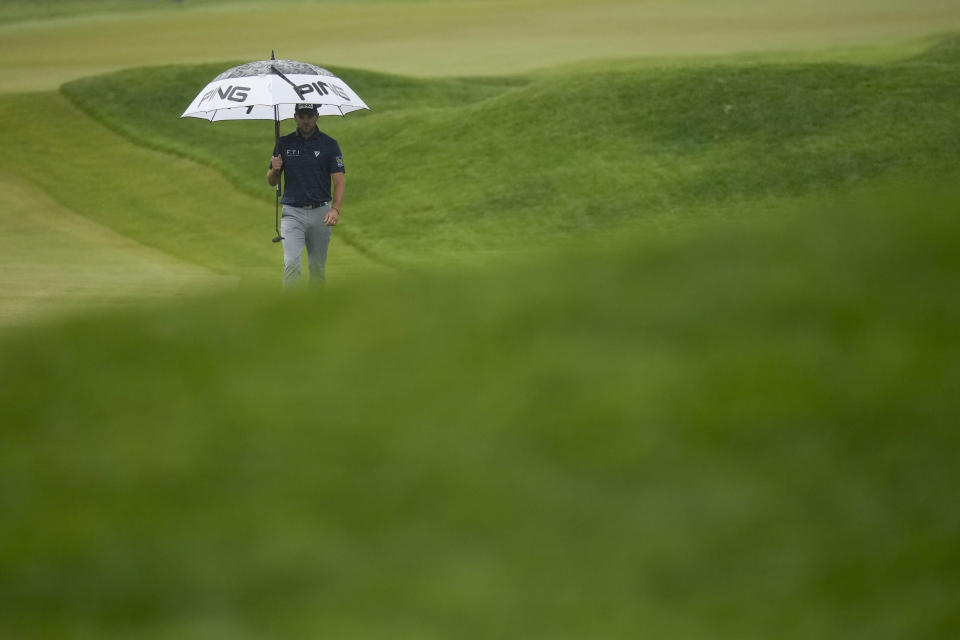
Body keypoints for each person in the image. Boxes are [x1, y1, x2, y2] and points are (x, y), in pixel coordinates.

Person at [267, 103, 346, 287]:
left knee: (317, 268)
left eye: (310, 116)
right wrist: (274, 169)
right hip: (292, 213)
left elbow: (339, 180)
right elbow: (271, 181)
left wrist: (335, 209)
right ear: (295, 117)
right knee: (292, 264)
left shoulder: (329, 144)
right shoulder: (283, 144)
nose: (306, 121)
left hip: (321, 213)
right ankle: (291, 312)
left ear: (317, 116)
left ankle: (315, 312)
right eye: (302, 116)